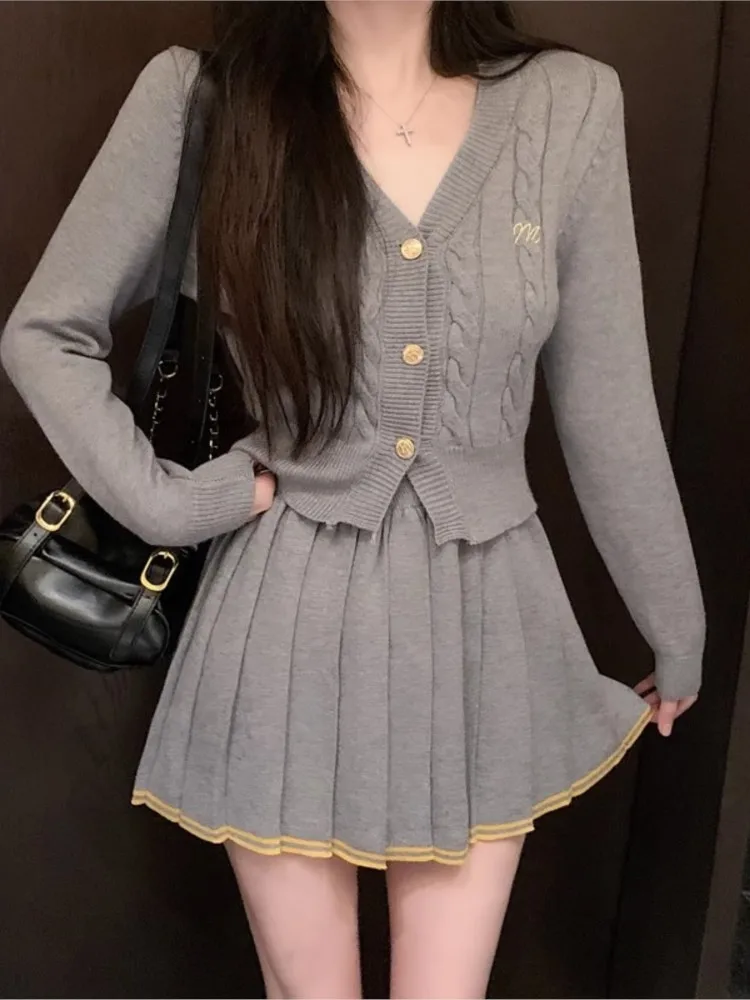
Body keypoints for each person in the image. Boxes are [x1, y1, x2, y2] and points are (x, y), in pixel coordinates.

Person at [0, 2, 706, 997]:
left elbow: (605, 397)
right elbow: (46, 333)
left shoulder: (568, 104)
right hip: (283, 627)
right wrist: (169, 505)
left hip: (485, 628)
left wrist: (676, 624)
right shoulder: (204, 102)